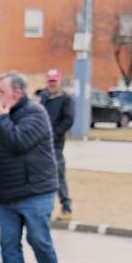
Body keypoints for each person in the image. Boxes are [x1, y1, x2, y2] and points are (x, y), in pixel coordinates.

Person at [0, 70, 63, 263]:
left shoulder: (35, 113)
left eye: (1, 91)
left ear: (16, 94)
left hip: (35, 191)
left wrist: (3, 118)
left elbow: (18, 142)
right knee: (8, 244)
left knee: (38, 240)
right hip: (7, 193)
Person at [38, 68, 75, 218]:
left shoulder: (66, 99)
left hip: (55, 144)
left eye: (54, 81)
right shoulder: (42, 97)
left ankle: (66, 207)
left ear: (59, 81)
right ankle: (40, 207)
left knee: (58, 174)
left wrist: (54, 134)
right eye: (50, 81)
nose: (52, 84)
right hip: (39, 142)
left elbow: (68, 120)